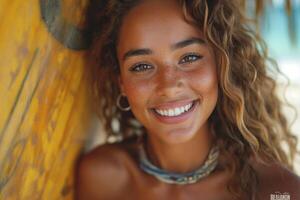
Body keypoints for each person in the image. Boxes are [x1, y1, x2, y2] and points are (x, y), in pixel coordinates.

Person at [75, 0, 300, 199]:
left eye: (189, 57)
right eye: (141, 66)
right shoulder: (103, 178)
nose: (169, 86)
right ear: (121, 83)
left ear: (222, 65)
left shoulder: (276, 191)